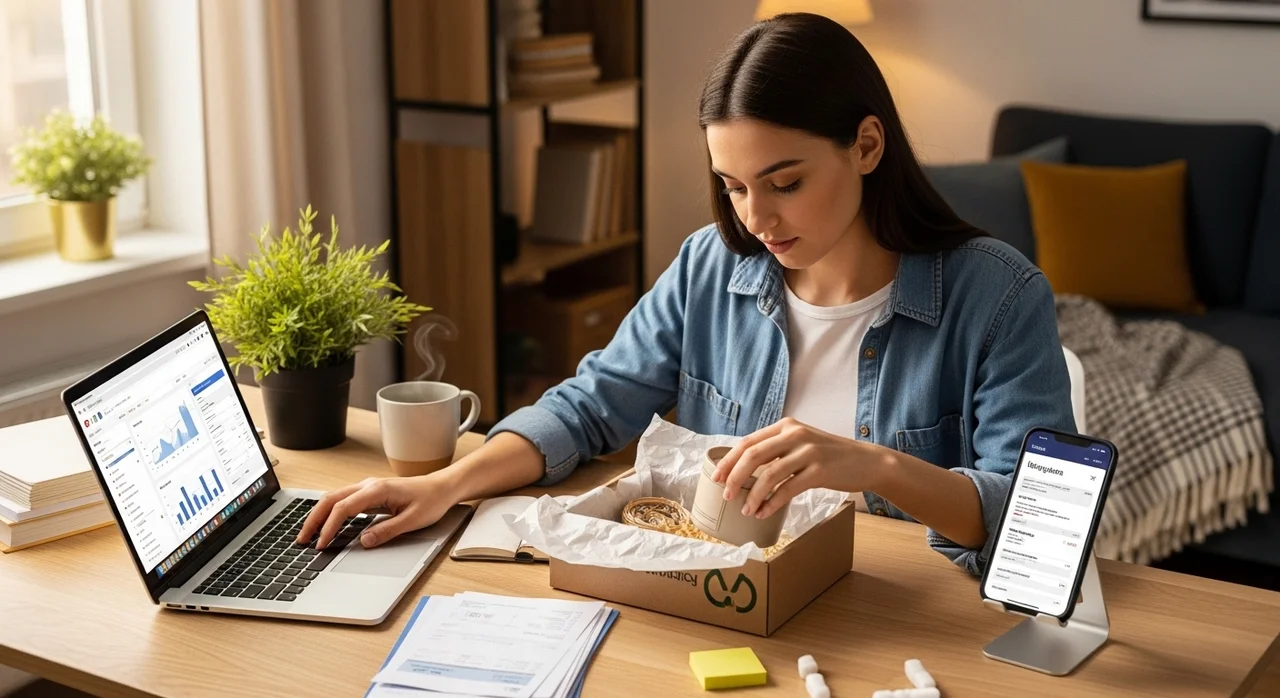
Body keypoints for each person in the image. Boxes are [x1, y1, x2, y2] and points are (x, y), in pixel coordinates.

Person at [298, 12, 1074, 576]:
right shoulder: (711, 266)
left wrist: (874, 467)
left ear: (866, 145)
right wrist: (442, 485)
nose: (756, 218)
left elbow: (1038, 526)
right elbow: (589, 408)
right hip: (724, 608)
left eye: (785, 183)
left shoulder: (999, 296)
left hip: (903, 624)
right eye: (733, 185)